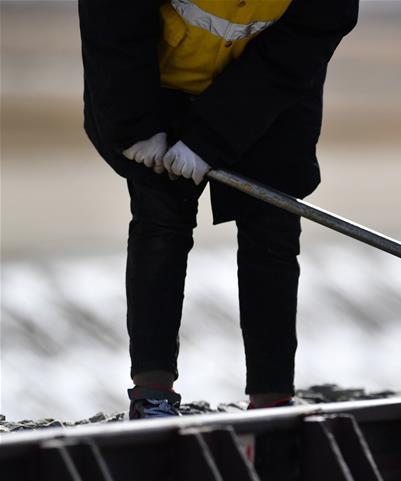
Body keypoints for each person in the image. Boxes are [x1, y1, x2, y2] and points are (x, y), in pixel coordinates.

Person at [78, 0, 358, 418]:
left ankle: (272, 401)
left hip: (268, 92)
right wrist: (134, 123)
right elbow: (113, 17)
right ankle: (152, 394)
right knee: (161, 223)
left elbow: (304, 41)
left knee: (272, 232)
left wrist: (210, 138)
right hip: (157, 81)